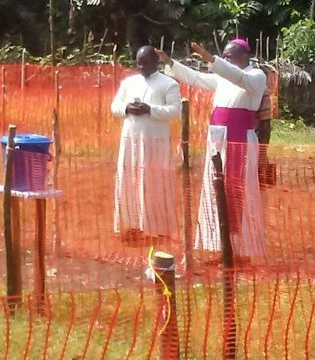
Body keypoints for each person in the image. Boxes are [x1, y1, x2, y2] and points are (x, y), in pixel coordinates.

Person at [157, 40, 266, 259]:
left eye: (229, 57)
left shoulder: (256, 75)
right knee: (216, 189)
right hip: (218, 140)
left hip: (239, 141)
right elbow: (196, 78)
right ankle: (220, 246)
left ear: (244, 56)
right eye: (223, 57)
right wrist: (171, 63)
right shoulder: (222, 77)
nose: (225, 60)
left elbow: (239, 78)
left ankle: (239, 249)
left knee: (236, 190)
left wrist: (212, 60)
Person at [111, 46, 181, 241]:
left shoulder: (169, 84)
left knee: (155, 182)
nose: (141, 67)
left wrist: (150, 110)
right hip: (130, 141)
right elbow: (114, 107)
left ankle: (159, 228)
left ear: (156, 62)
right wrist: (127, 108)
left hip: (155, 143)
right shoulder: (128, 83)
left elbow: (175, 110)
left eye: (145, 63)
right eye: (138, 63)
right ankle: (132, 226)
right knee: (130, 179)